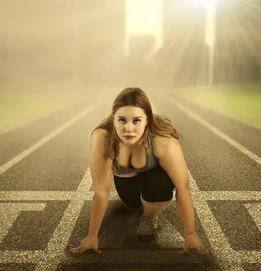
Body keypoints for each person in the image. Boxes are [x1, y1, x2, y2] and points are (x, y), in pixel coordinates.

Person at [70, 87, 212, 256]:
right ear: (113, 120)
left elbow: (183, 187)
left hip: (155, 184)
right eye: (122, 120)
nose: (128, 129)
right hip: (127, 188)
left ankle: (149, 218)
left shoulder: (162, 138)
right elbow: (101, 190)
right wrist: (92, 235)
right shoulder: (103, 137)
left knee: (160, 185)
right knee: (132, 204)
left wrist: (190, 233)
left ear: (147, 120)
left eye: (136, 121)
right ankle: (137, 205)